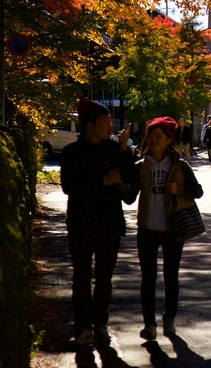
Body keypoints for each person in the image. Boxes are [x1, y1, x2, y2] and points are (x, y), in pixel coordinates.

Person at [60, 98, 136, 346]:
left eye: (110, 120)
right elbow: (68, 186)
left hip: (110, 223)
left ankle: (100, 323)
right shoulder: (72, 153)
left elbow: (131, 189)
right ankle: (82, 327)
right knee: (81, 275)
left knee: (105, 277)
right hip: (81, 222)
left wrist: (125, 151)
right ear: (90, 125)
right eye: (104, 120)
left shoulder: (117, 150)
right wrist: (102, 181)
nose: (110, 125)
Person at [134, 116, 204, 341]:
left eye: (158, 136)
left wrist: (178, 188)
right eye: (151, 136)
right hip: (146, 229)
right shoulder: (141, 165)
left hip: (173, 229)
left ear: (168, 140)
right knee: (148, 278)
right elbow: (128, 197)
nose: (153, 140)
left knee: (170, 276)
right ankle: (149, 324)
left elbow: (197, 191)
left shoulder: (179, 165)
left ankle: (169, 320)